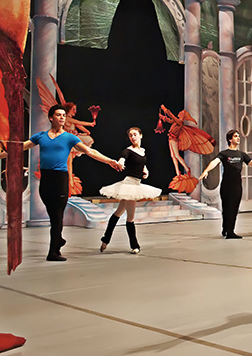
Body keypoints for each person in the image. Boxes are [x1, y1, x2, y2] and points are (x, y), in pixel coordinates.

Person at [0, 105, 122, 261]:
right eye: (59, 115)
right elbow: (18, 148)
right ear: (51, 118)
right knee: (52, 215)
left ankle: (54, 251)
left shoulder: (69, 138)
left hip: (60, 179)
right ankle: (58, 239)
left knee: (57, 216)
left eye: (64, 115)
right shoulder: (41, 136)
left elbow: (90, 152)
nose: (62, 117)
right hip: (46, 179)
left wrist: (110, 161)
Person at [199, 129, 252, 239]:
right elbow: (215, 162)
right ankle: (225, 229)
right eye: (235, 136)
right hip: (226, 185)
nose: (238, 138)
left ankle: (230, 231)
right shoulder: (224, 154)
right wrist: (206, 170)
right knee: (226, 208)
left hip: (236, 186)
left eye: (238, 136)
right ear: (230, 139)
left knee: (234, 208)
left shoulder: (241, 155)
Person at [99, 127, 161, 253]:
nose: (133, 137)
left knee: (118, 212)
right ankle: (135, 245)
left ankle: (105, 239)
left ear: (141, 136)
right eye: (130, 135)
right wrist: (121, 163)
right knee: (130, 217)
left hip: (136, 184)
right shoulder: (128, 150)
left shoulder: (142, 151)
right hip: (129, 185)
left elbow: (142, 164)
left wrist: (145, 170)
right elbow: (123, 158)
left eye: (135, 135)